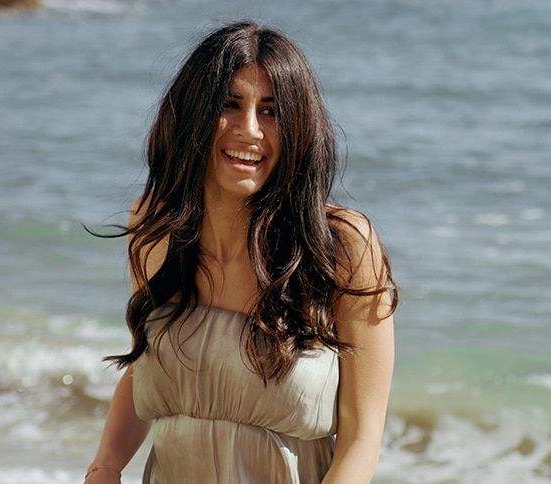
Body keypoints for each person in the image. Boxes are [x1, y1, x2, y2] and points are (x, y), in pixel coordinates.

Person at [84, 21, 397, 484]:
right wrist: (105, 467)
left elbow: (361, 439)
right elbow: (146, 373)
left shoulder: (341, 247)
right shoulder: (154, 228)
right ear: (193, 112)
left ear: (298, 127)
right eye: (229, 104)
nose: (249, 130)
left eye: (271, 111)